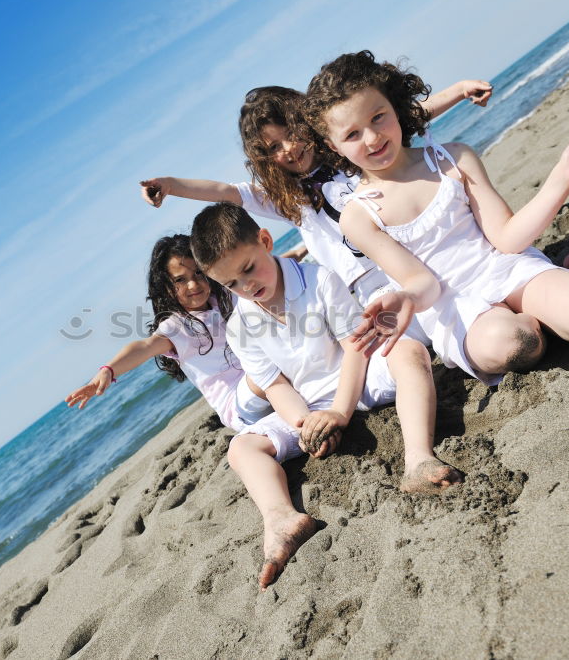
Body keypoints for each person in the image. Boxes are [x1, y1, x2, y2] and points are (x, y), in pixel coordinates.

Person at [303, 50, 569, 384]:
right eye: (352, 134)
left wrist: (564, 177)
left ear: (395, 106)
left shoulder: (453, 158)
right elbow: (424, 284)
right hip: (454, 305)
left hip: (506, 268)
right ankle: (535, 318)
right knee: (517, 345)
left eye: (378, 117)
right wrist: (406, 297)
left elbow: (507, 238)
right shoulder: (358, 217)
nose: (373, 138)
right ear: (333, 147)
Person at [190, 203, 462, 591]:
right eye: (231, 284)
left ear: (265, 241)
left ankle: (418, 458)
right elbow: (276, 386)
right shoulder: (240, 326)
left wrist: (340, 411)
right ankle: (281, 518)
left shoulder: (318, 280)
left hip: (357, 377)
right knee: (241, 448)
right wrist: (306, 426)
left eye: (248, 269)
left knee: (409, 352)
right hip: (307, 403)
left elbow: (355, 346)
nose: (246, 287)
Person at [140, 79, 492, 312]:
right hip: (367, 288)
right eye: (274, 147)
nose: (289, 148)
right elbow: (227, 191)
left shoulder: (350, 156)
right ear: (264, 158)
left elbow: (403, 119)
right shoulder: (285, 197)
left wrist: (460, 91)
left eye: (292, 133)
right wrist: (171, 185)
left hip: (415, 260)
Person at [65, 234, 271, 431]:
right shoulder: (176, 327)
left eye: (198, 272)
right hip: (239, 404)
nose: (193, 284)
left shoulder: (225, 297)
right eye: (180, 280)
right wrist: (108, 370)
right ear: (167, 288)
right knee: (270, 363)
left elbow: (262, 284)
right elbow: (144, 347)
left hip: (265, 382)